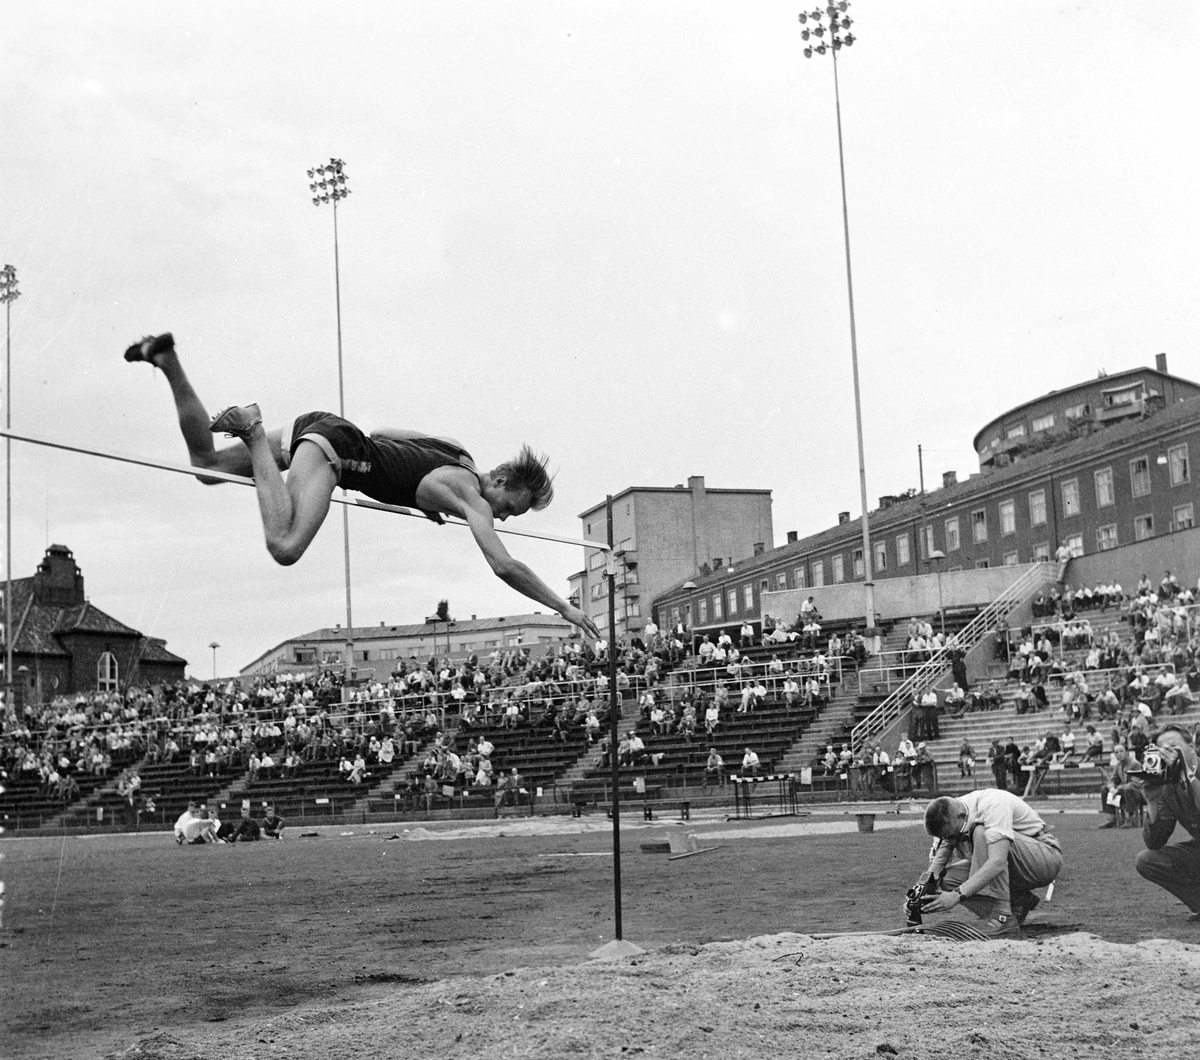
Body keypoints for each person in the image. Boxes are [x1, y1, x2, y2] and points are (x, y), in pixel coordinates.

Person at [124, 332, 600, 640]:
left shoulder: (456, 451)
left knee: (206, 466)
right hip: (339, 453)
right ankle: (250, 428)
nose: (500, 516)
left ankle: (166, 360)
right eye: (508, 507)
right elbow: (503, 565)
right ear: (498, 479)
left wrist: (419, 494)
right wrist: (564, 607)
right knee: (285, 545)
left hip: (328, 430)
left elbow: (388, 435)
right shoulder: (470, 494)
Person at [910, 791, 1063, 936]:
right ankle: (1019, 901)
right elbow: (937, 864)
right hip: (1015, 866)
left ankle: (1002, 915)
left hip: (1043, 860)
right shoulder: (949, 817)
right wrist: (919, 893)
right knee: (946, 880)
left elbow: (997, 862)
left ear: (962, 816)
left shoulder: (992, 805)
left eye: (952, 836)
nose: (951, 839)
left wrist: (956, 895)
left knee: (980, 832)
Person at [1133, 725, 1200, 921]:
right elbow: (1155, 842)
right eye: (1163, 749)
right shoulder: (1168, 785)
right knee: (1147, 860)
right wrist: (1152, 801)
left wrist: (1186, 775)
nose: (1168, 753)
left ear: (1191, 746)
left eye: (1173, 747)